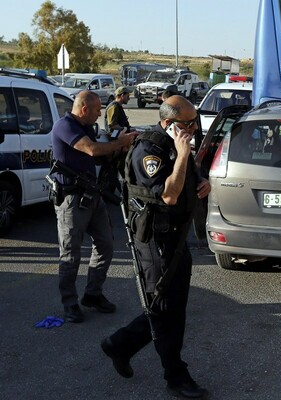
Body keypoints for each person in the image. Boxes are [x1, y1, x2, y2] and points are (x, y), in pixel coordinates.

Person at [101, 95, 211, 399]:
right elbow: (169, 195)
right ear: (167, 123)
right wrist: (183, 153)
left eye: (194, 122)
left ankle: (119, 344)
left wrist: (202, 182)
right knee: (165, 308)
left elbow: (188, 178)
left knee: (171, 307)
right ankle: (176, 376)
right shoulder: (149, 150)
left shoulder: (177, 147)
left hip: (177, 239)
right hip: (155, 241)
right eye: (186, 124)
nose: (192, 128)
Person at [50, 91, 138, 323]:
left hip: (92, 196)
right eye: (97, 109)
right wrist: (118, 143)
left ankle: (93, 294)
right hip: (71, 200)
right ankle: (70, 303)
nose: (101, 113)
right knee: (70, 255)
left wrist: (119, 146)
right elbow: (91, 149)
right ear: (84, 109)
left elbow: (96, 157)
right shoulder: (65, 126)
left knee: (106, 245)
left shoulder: (86, 127)